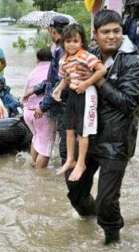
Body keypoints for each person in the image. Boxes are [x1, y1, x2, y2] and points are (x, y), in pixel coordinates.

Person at [64, 10, 139, 245]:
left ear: (122, 31)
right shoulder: (86, 54)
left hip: (116, 140)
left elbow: (128, 103)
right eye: (105, 32)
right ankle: (90, 218)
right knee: (74, 189)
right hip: (88, 136)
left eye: (116, 31)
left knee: (106, 202)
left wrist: (99, 80)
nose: (112, 36)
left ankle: (112, 238)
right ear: (95, 35)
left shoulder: (133, 62)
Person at [52, 24, 106, 179]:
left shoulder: (85, 56)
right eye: (68, 41)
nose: (71, 44)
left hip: (87, 94)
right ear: (63, 42)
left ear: (82, 42)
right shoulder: (64, 60)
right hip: (73, 94)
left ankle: (81, 163)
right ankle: (70, 159)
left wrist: (87, 83)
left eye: (75, 41)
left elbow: (102, 70)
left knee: (83, 131)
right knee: (69, 129)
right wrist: (59, 89)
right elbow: (65, 78)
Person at [23, 16, 70, 163]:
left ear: (52, 30)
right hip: (58, 102)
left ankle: (38, 177)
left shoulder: (61, 51)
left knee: (43, 142)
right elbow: (51, 80)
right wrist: (36, 90)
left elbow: (57, 83)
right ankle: (39, 177)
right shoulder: (59, 50)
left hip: (60, 104)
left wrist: (43, 106)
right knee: (46, 143)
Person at [23, 48, 56, 169]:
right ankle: (39, 178)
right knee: (45, 148)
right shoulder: (53, 69)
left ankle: (32, 168)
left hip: (28, 113)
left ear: (38, 58)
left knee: (37, 139)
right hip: (42, 112)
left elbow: (26, 91)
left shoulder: (33, 72)